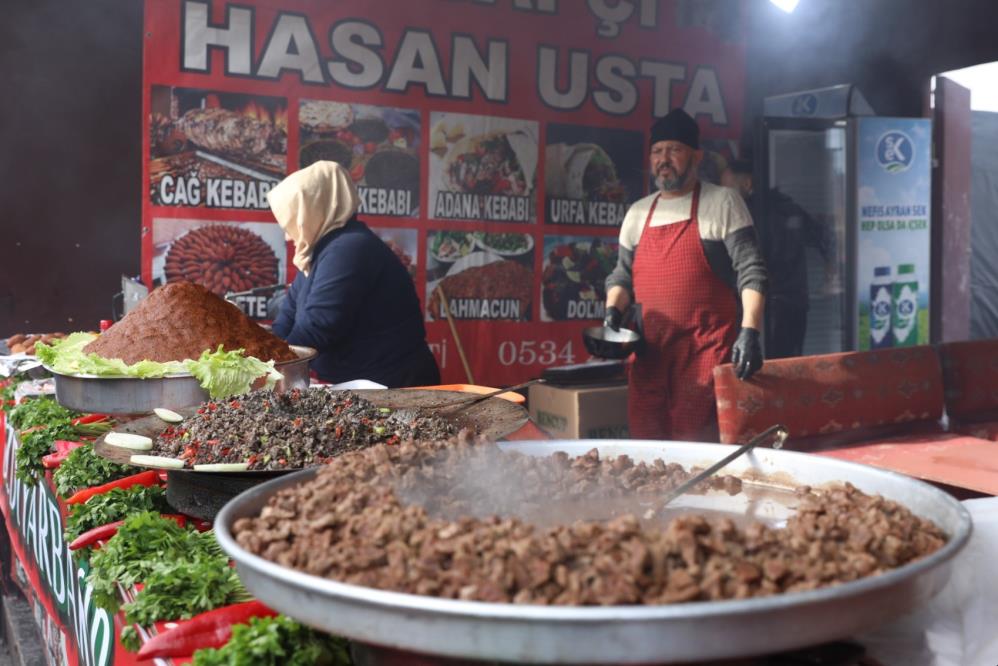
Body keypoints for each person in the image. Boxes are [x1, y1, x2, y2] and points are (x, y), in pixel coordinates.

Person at [604, 109, 767, 441]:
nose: (664, 159)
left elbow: (752, 270)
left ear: (696, 156)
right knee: (646, 450)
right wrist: (612, 314)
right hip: (650, 357)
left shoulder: (723, 202)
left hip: (706, 353)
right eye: (657, 151)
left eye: (674, 150)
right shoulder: (637, 213)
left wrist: (750, 331)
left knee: (697, 449)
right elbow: (621, 276)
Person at [268, 161, 440, 387]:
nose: (289, 237)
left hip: (393, 386)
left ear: (315, 210)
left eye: (292, 222)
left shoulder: (349, 248)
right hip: (358, 385)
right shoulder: (318, 254)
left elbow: (317, 328)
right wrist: (264, 351)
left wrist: (265, 367)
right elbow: (285, 321)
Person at [722, 159, 832, 359]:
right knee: (790, 364)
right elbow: (822, 237)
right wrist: (829, 269)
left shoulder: (745, 216)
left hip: (766, 305)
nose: (723, 197)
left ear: (747, 184)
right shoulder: (789, 207)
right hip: (795, 303)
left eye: (727, 189)